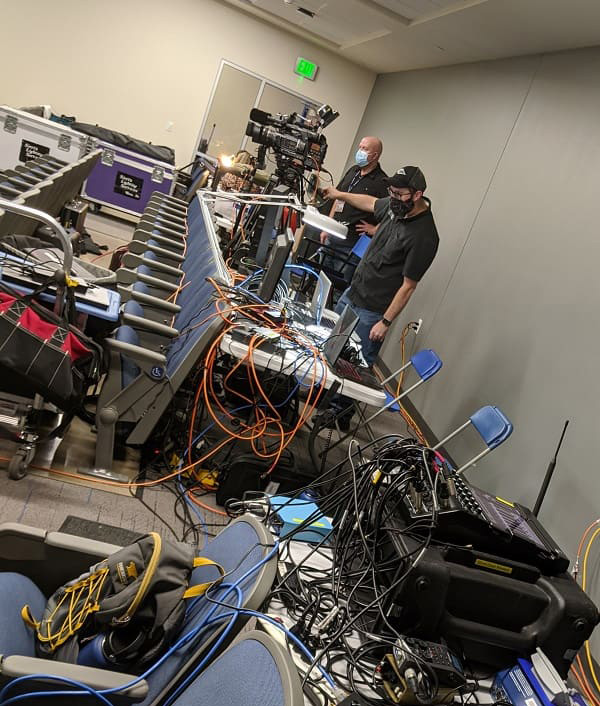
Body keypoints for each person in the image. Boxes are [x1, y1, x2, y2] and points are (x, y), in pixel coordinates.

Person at [323, 165, 439, 368]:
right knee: (329, 348)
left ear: (417, 194)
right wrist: (339, 194)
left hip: (372, 313)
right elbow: (371, 202)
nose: (393, 197)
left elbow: (408, 286)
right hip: (352, 293)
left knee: (352, 368)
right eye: (391, 192)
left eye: (399, 194)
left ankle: (337, 401)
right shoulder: (395, 207)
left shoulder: (424, 236)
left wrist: (385, 322)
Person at [320, 136, 388, 283]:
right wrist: (327, 226)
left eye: (365, 149)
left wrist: (375, 229)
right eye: (360, 147)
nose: (360, 151)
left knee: (338, 284)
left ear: (375, 155)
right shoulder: (353, 171)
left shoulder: (382, 182)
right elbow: (338, 198)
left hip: (351, 245)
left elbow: (391, 215)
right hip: (332, 237)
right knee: (321, 280)